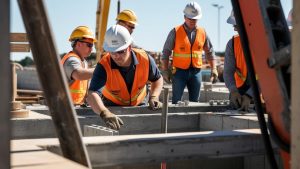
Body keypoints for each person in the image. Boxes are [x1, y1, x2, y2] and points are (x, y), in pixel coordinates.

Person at [87, 25, 163, 130]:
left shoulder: (145, 59)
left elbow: (157, 79)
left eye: (120, 51)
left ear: (129, 47)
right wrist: (104, 113)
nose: (116, 56)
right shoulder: (104, 65)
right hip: (111, 106)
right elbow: (92, 94)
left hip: (139, 103)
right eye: (112, 52)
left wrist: (154, 96)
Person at [161, 1, 218, 104]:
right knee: (176, 101)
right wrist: (165, 70)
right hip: (179, 72)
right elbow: (166, 52)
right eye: (190, 18)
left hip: (196, 72)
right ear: (185, 17)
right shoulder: (175, 31)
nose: (193, 21)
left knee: (194, 102)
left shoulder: (203, 32)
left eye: (195, 19)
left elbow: (210, 51)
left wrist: (214, 68)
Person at [223, 11, 253, 112]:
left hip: (261, 90)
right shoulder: (232, 43)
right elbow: (228, 71)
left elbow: (266, 75)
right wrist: (233, 90)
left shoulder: (263, 43)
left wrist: (250, 95)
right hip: (239, 88)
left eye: (236, 25)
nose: (234, 29)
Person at [61, 26, 96, 106]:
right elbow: (79, 74)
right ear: (79, 44)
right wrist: (101, 70)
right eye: (89, 45)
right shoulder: (71, 59)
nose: (92, 49)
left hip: (77, 106)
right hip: (67, 107)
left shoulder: (84, 62)